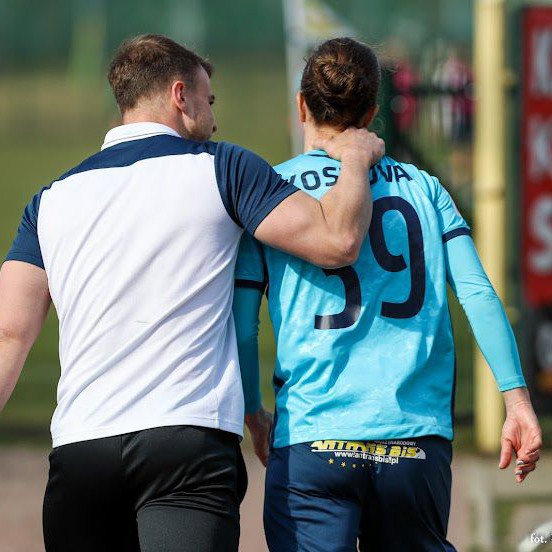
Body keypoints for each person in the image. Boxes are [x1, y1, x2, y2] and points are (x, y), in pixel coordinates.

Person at [0, 34, 385, 552]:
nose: (215, 119)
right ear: (180, 95)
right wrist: (355, 159)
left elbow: (9, 335)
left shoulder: (49, 201)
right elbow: (338, 242)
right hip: (186, 443)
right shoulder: (223, 167)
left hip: (81, 450)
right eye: (210, 100)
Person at [233, 37, 542, 551]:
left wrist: (252, 411)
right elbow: (478, 295)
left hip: (314, 436)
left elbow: (244, 326)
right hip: (414, 442)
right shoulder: (425, 189)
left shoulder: (270, 194)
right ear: (373, 111)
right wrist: (517, 400)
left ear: (302, 104)